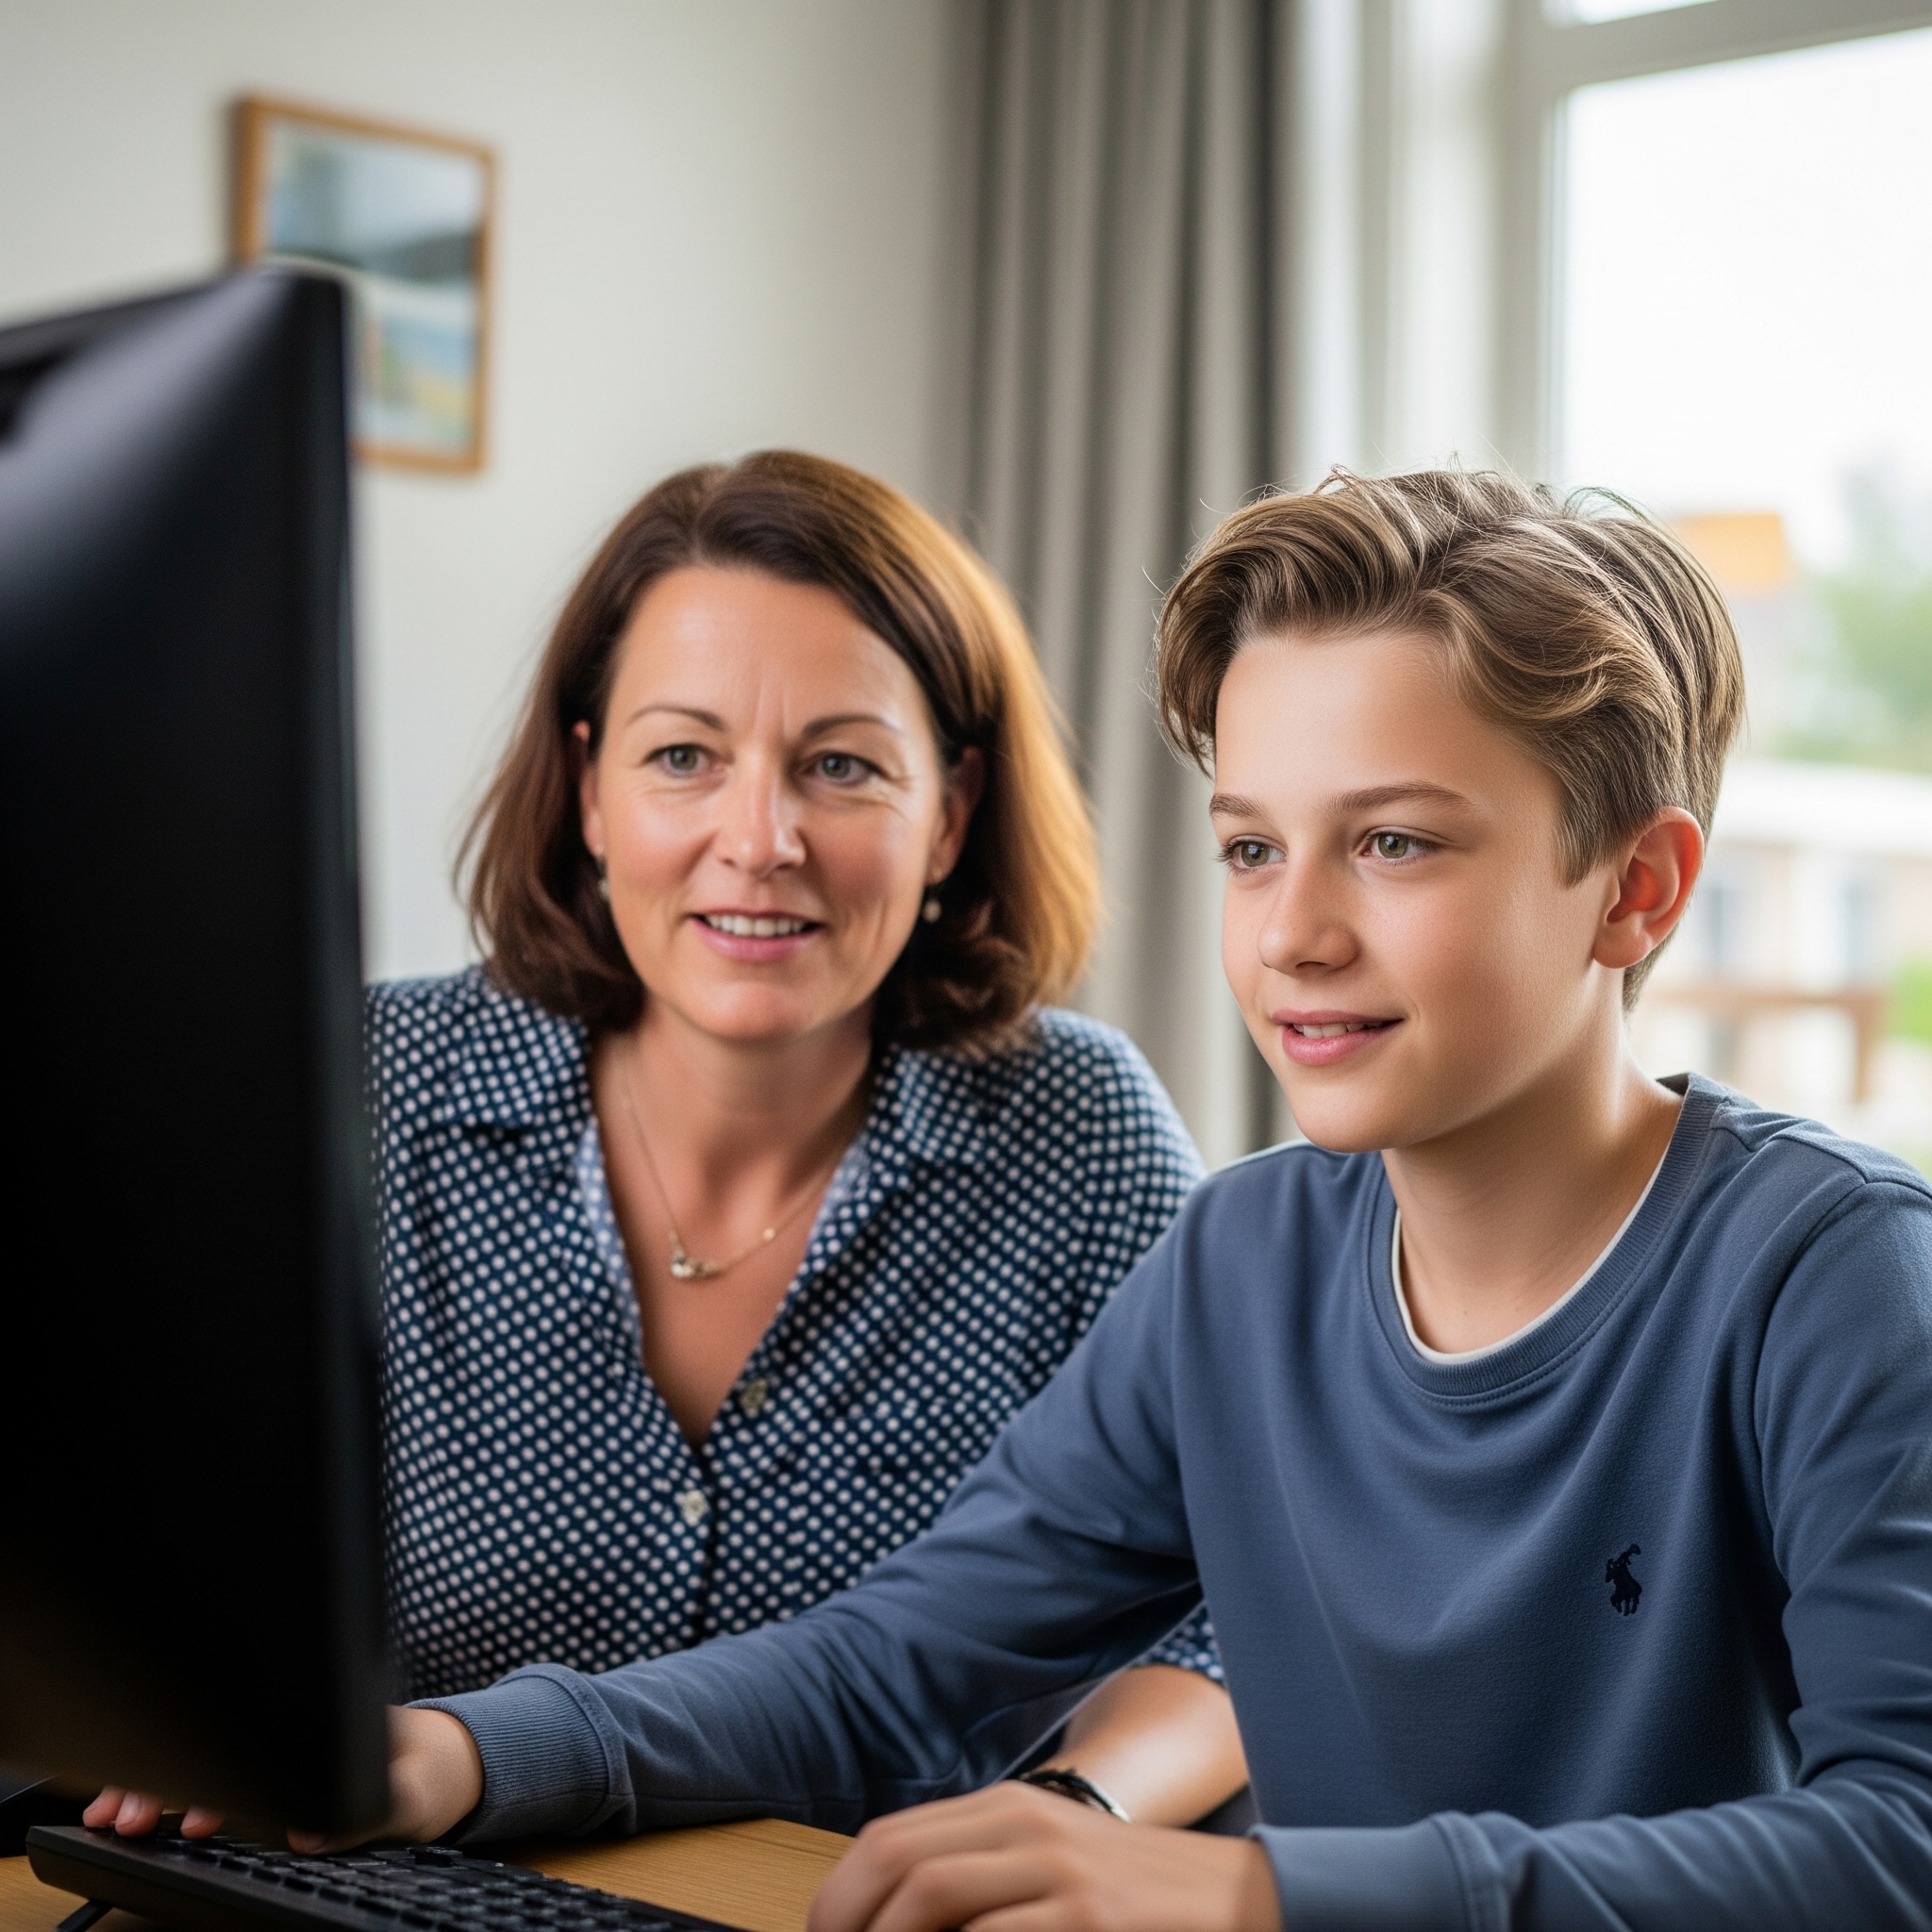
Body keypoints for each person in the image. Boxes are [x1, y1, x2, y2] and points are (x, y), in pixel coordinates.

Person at [117, 466, 1932, 1927]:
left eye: (1394, 840)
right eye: (1249, 845)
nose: (1294, 930)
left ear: (1634, 892)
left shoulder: (1837, 1278)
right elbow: (897, 1664)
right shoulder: (1245, 1261)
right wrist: (457, 1755)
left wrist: (1246, 1896)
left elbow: (1900, 1843)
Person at [90, 451, 1247, 1840]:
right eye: (684, 756)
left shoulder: (1081, 1140)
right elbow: (158, 1537)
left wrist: (1076, 1804)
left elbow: (1246, 1602)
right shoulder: (361, 1092)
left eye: (841, 765)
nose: (759, 840)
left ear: (949, 812)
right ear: (590, 791)